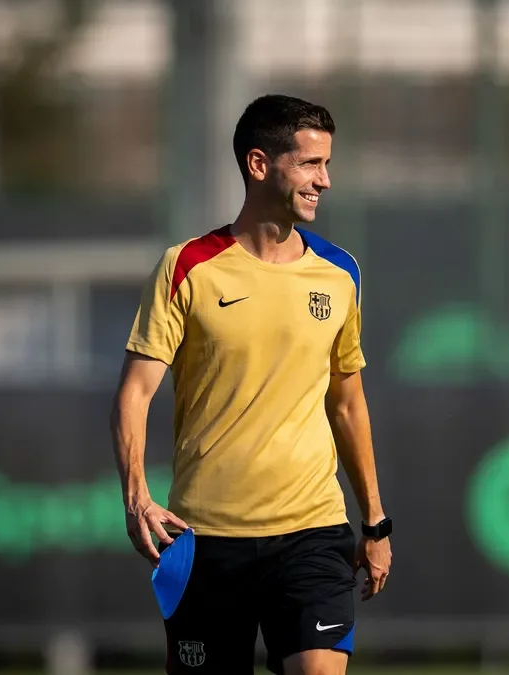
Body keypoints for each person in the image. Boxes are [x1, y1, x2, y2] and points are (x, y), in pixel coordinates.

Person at [110, 94, 392, 675]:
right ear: (259, 165)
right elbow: (135, 393)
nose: (326, 181)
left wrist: (375, 522)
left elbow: (347, 404)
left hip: (312, 530)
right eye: (311, 164)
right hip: (205, 539)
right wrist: (136, 495)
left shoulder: (340, 273)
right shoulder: (186, 265)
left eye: (328, 164)